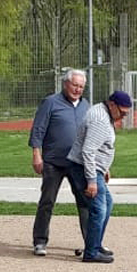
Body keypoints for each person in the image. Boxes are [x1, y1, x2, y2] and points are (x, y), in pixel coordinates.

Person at [28, 69, 91, 256]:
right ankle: (40, 241)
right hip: (53, 162)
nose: (78, 89)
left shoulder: (85, 105)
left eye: (81, 86)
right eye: (75, 85)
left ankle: (91, 242)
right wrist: (36, 154)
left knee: (85, 202)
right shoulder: (50, 102)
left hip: (77, 163)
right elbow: (38, 129)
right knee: (47, 201)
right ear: (66, 84)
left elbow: (91, 134)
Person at [67, 90, 133, 264]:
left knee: (107, 204)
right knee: (99, 209)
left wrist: (104, 168)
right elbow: (88, 151)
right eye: (123, 112)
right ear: (112, 105)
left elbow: (99, 147)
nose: (124, 117)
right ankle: (91, 252)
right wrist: (91, 180)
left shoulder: (103, 112)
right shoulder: (100, 120)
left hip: (95, 168)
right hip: (84, 168)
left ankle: (95, 244)